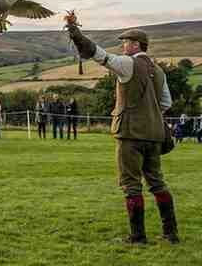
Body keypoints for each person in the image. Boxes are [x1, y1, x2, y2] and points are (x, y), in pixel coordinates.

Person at [68, 22, 179, 244]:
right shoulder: (158, 71)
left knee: (131, 185)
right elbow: (166, 103)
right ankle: (170, 233)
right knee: (157, 183)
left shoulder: (128, 63)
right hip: (155, 135)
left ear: (136, 44)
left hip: (130, 134)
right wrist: (148, 113)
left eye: (126, 42)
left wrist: (76, 34)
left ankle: (137, 236)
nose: (123, 46)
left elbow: (99, 55)